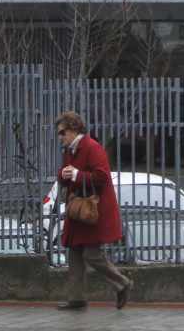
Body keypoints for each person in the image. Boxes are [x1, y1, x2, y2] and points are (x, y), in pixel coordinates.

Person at [54, 110, 132, 311]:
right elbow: (64, 179)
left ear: (74, 130)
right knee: (75, 253)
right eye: (59, 133)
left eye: (62, 132)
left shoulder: (92, 147)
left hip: (93, 211)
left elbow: (102, 177)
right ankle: (76, 299)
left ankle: (122, 283)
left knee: (91, 254)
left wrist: (78, 175)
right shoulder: (69, 151)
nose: (60, 137)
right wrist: (63, 174)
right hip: (79, 210)